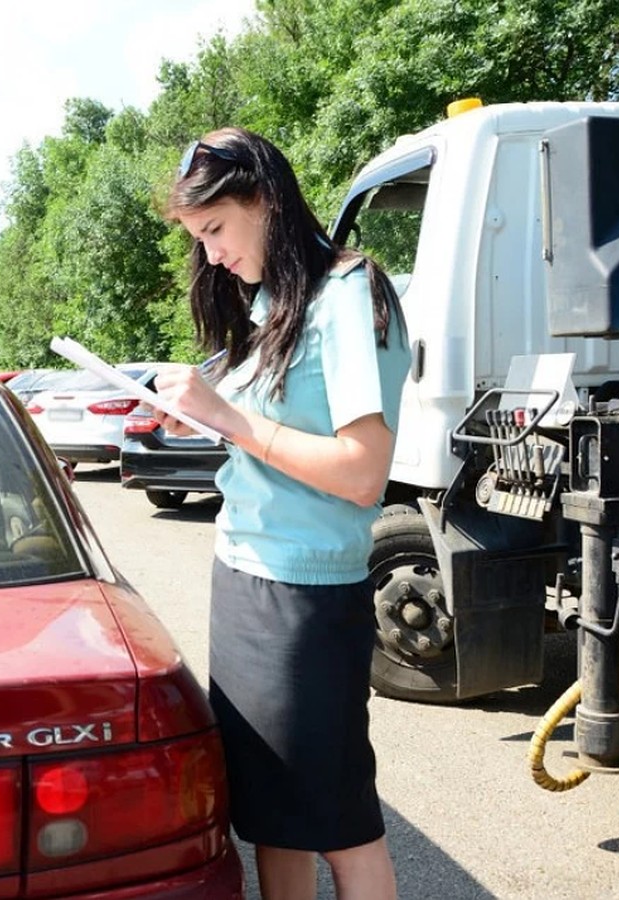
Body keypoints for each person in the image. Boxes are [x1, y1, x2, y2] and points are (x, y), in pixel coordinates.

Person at [152, 128, 410, 900]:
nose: (212, 255)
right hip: (243, 583)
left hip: (309, 601)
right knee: (271, 819)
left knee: (339, 824)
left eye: (217, 231)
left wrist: (229, 420)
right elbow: (264, 441)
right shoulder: (269, 305)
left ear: (264, 198)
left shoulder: (350, 292)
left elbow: (363, 473)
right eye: (200, 240)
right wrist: (202, 414)